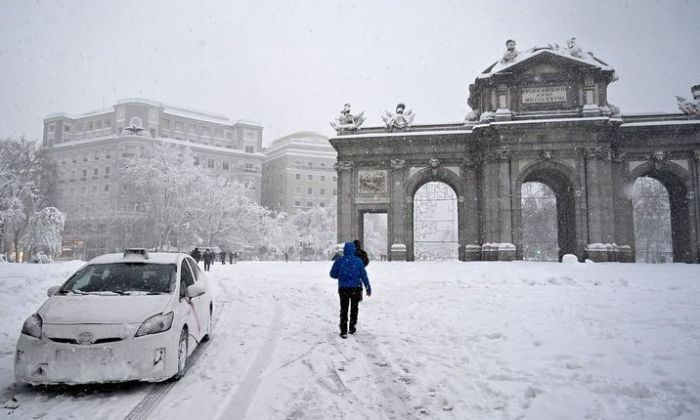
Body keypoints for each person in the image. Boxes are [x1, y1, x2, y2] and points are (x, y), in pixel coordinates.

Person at [330, 242, 372, 339]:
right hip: (356, 288)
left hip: (343, 288)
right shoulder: (358, 261)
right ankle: (352, 327)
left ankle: (344, 330)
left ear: (344, 250)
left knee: (344, 309)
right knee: (354, 308)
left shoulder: (339, 261)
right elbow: (364, 276)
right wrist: (368, 288)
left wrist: (340, 275)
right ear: (354, 250)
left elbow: (332, 274)